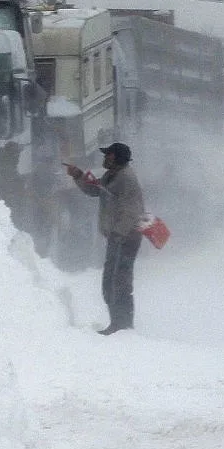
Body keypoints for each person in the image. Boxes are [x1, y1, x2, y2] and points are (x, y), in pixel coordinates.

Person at [65, 142, 145, 335]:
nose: (104, 158)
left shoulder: (125, 178)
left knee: (118, 280)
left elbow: (131, 211)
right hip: (118, 235)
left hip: (125, 236)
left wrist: (119, 233)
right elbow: (96, 190)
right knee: (111, 280)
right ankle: (118, 323)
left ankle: (122, 325)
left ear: (115, 158)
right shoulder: (114, 175)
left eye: (107, 155)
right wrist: (78, 175)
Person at [0, 141, 26, 228]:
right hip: (7, 203)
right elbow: (6, 186)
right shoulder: (5, 166)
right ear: (11, 154)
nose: (19, 157)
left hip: (8, 201)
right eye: (17, 153)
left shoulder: (7, 164)